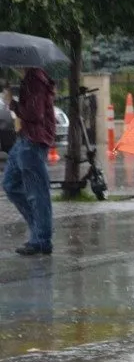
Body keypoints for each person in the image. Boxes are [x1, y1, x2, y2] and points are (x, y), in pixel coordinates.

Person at [5, 67, 55, 256]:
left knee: (37, 192)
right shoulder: (29, 79)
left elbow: (35, 114)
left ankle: (42, 239)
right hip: (25, 139)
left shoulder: (35, 79)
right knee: (10, 184)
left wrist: (13, 105)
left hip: (33, 141)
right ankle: (40, 228)